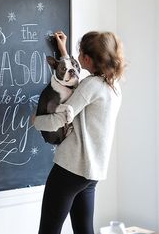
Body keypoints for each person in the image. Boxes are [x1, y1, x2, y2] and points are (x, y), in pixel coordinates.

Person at [33, 31, 125, 234]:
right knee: (84, 230)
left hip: (69, 168)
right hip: (90, 174)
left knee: (48, 230)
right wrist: (63, 51)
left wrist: (36, 121)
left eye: (79, 52)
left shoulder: (90, 85)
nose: (77, 56)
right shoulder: (113, 86)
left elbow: (59, 119)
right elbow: (75, 82)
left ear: (86, 58)